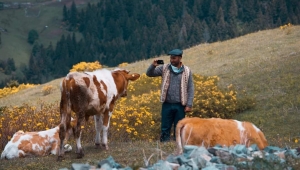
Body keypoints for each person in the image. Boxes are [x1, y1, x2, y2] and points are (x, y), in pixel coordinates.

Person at [146, 49, 194, 142]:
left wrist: (189, 104)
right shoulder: (164, 68)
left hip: (180, 105)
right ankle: (164, 146)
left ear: (180, 58)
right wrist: (153, 66)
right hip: (167, 104)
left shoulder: (187, 71)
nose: (172, 60)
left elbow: (190, 88)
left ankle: (178, 146)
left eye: (174, 58)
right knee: (165, 128)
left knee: (179, 128)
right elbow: (149, 74)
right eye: (171, 58)